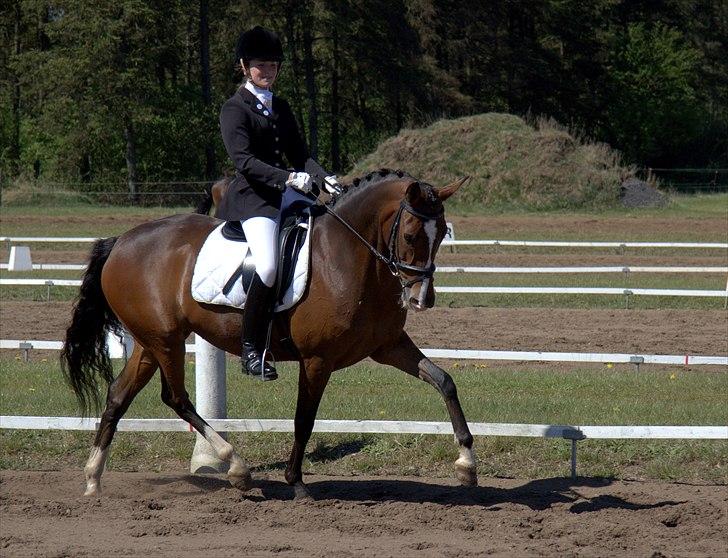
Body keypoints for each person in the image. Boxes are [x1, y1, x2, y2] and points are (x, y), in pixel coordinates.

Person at [217, 26, 340, 380]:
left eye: (272, 65)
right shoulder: (234, 108)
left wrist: (322, 177)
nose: (267, 71)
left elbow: (300, 155)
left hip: (288, 194)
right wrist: (287, 178)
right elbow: (244, 161)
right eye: (260, 65)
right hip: (254, 199)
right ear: (244, 66)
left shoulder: (281, 106)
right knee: (268, 266)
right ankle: (251, 349)